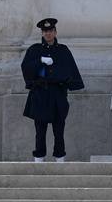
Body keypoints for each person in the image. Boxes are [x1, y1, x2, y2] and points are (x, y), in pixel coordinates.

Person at [21, 18, 84, 162]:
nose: (48, 34)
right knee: (40, 130)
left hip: (57, 94)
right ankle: (39, 158)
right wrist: (40, 61)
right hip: (40, 94)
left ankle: (60, 158)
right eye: (45, 31)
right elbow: (26, 68)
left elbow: (70, 69)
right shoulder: (34, 50)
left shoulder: (63, 50)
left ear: (55, 32)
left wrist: (70, 84)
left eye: (50, 31)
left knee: (59, 129)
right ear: (42, 33)